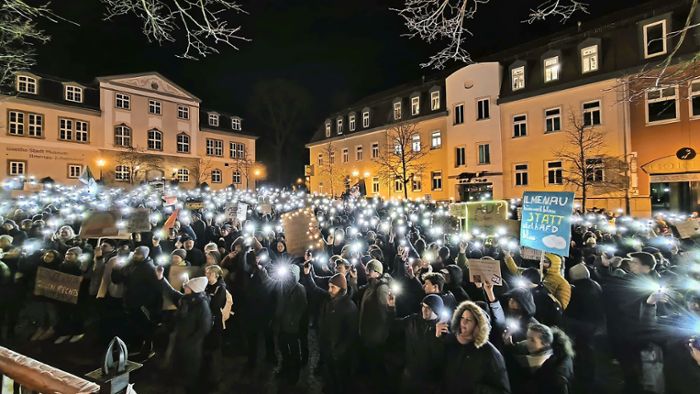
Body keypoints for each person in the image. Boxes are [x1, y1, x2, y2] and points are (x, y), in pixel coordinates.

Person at [301, 264, 358, 394]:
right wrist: (307, 274)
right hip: (328, 349)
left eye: (333, 287)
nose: (329, 289)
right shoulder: (329, 299)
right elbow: (314, 289)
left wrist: (339, 351)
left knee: (341, 378)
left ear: (341, 289)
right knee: (330, 374)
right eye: (329, 286)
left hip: (339, 353)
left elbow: (351, 334)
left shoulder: (349, 307)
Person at [435, 300, 511, 394]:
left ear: (478, 324)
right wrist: (437, 340)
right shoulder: (451, 343)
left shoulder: (490, 353)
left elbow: (503, 391)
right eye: (462, 317)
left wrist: (475, 388)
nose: (463, 322)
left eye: (469, 320)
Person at [160, 275, 212, 394]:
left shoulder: (202, 306)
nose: (185, 287)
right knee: (174, 367)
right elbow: (171, 293)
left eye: (187, 286)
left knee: (189, 372)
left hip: (191, 346)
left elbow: (205, 327)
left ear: (194, 289)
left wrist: (190, 342)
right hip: (178, 340)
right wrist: (161, 278)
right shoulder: (185, 299)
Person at [388, 293, 445, 393]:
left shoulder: (442, 330)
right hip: (409, 375)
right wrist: (391, 308)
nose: (424, 310)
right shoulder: (413, 320)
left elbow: (440, 358)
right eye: (423, 306)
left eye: (429, 308)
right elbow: (394, 326)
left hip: (428, 382)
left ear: (437, 311)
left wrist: (438, 338)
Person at [111, 245, 162, 357]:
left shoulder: (149, 268)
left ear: (145, 255)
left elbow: (157, 288)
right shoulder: (131, 264)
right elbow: (118, 280)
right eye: (135, 253)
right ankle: (134, 345)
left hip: (142, 304)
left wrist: (149, 305)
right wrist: (116, 269)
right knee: (133, 325)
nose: (135, 255)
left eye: (138, 254)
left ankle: (147, 349)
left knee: (145, 328)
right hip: (130, 301)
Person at [505, 323, 575, 394]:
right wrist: (509, 345)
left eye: (532, 340)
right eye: (527, 338)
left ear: (545, 343)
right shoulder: (528, 350)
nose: (528, 342)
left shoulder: (550, 369)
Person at [273, 263, 307, 384]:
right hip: (281, 324)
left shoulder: (300, 289)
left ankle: (295, 373)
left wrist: (294, 321)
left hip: (292, 326)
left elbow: (302, 307)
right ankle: (285, 367)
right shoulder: (281, 285)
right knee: (282, 348)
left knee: (294, 350)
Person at [202, 265, 228, 389]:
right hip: (207, 321)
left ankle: (215, 379)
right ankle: (207, 375)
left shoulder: (220, 288)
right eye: (206, 273)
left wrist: (204, 298)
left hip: (215, 322)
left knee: (214, 350)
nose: (207, 275)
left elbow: (216, 304)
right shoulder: (207, 285)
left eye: (210, 274)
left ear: (216, 275)